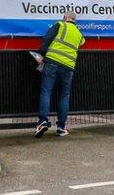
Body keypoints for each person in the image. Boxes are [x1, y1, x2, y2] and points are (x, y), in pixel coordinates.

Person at [33, 10, 85, 138]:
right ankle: (61, 127)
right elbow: (81, 43)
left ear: (64, 17)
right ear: (74, 20)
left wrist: (40, 55)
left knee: (46, 92)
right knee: (64, 96)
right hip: (68, 67)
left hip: (52, 63)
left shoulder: (60, 25)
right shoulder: (79, 34)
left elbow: (47, 39)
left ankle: (43, 121)